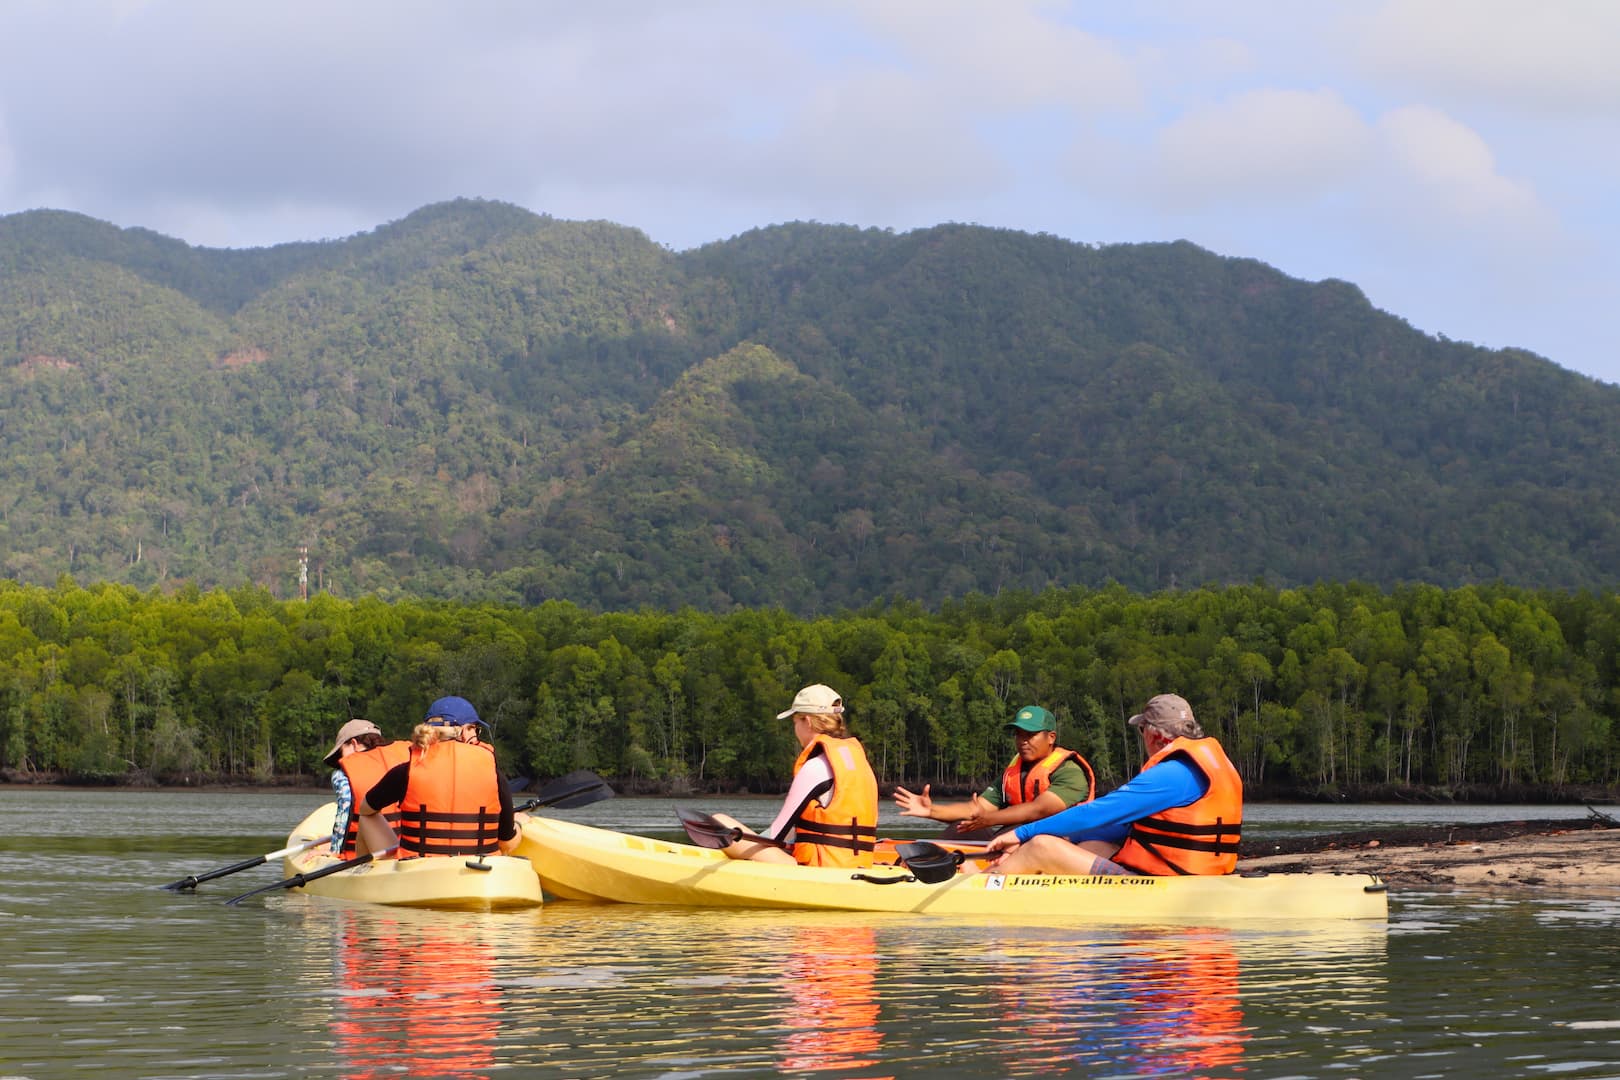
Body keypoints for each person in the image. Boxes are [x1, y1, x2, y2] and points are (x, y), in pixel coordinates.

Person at [986, 694, 1242, 876]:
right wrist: (1066, 836)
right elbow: (1120, 826)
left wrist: (1021, 834)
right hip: (1202, 871)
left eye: (1141, 730)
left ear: (1154, 734)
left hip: (1171, 879)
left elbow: (1095, 813)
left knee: (1040, 846)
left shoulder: (1170, 775)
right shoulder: (1208, 762)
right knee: (1091, 845)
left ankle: (984, 884)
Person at [710, 684, 879, 867]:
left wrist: (738, 849)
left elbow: (776, 834)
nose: (795, 729)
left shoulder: (816, 767)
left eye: (795, 722)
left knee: (718, 821)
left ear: (806, 721)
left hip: (822, 871)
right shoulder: (859, 763)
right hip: (859, 865)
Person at [355, 697, 525, 858]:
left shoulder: (405, 771)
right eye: (475, 729)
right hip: (477, 876)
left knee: (365, 816)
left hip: (417, 874)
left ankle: (361, 874)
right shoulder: (493, 773)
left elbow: (365, 809)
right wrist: (518, 826)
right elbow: (506, 843)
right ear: (465, 731)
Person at [892, 705, 1096, 833]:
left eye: (1030, 735)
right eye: (1018, 735)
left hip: (1059, 841)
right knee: (959, 828)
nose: (1023, 741)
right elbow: (977, 809)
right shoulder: (1013, 771)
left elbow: (1038, 809)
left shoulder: (1070, 771)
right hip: (1018, 835)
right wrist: (932, 810)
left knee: (997, 829)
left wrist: (988, 820)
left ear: (1051, 737)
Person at [321, 717, 412, 858]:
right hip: (409, 853)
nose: (341, 759)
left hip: (368, 856)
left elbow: (344, 814)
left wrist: (334, 852)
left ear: (354, 743)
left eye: (341, 751)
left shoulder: (341, 775)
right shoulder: (410, 759)